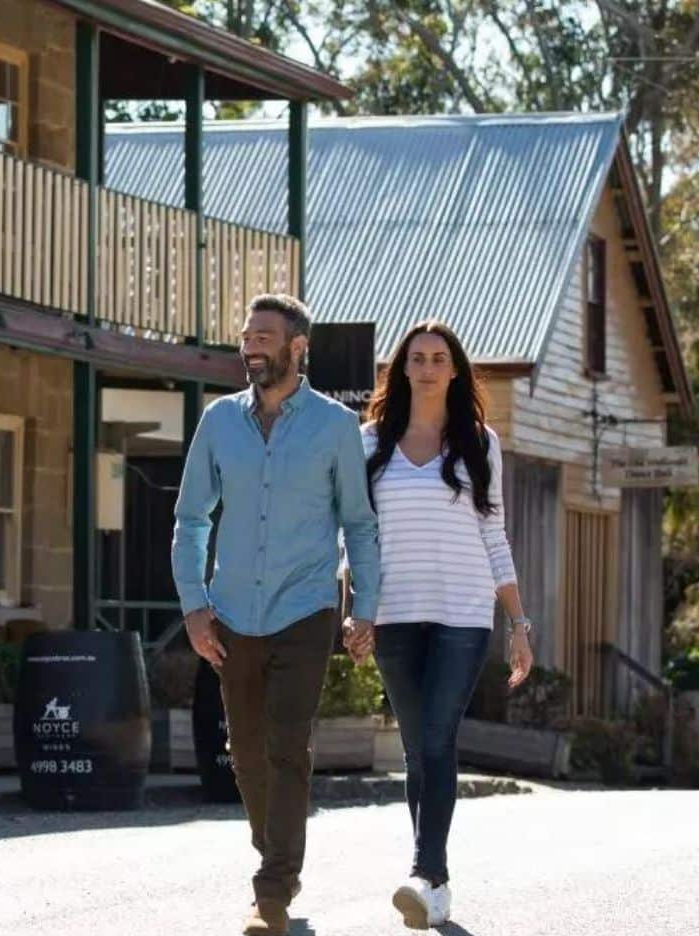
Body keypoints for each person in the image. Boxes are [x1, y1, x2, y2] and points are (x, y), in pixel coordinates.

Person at [172, 293, 383, 936]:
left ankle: (273, 892)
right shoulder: (218, 422)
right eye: (245, 336)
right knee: (246, 752)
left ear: (298, 347)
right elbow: (191, 518)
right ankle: (277, 855)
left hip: (304, 607)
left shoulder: (335, 428)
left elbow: (359, 525)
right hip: (232, 608)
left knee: (288, 744)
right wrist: (194, 606)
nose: (250, 346)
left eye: (264, 336)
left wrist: (364, 607)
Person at [341, 319, 535, 930]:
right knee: (418, 748)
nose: (426, 367)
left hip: (463, 612)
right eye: (416, 357)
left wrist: (518, 623)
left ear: (455, 371)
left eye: (438, 358)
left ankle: (422, 871)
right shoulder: (369, 443)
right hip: (395, 613)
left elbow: (493, 535)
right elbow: (357, 535)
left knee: (436, 739)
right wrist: (358, 610)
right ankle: (438, 886)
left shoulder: (480, 443)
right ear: (402, 369)